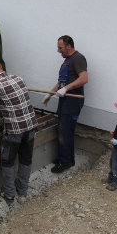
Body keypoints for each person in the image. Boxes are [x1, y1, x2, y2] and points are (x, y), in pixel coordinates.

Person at [0, 60, 38, 201]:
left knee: (7, 161)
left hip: (14, 130)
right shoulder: (18, 78)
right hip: (30, 126)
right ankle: (22, 190)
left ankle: (9, 194)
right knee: (26, 159)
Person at [43, 35, 88, 173]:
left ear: (69, 46)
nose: (58, 50)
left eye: (60, 47)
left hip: (73, 100)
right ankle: (68, 158)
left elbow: (84, 78)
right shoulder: (67, 60)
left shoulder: (78, 58)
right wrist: (50, 93)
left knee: (64, 131)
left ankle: (64, 162)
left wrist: (66, 89)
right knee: (65, 130)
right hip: (65, 99)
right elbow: (62, 81)